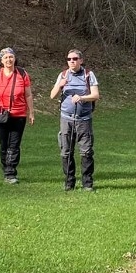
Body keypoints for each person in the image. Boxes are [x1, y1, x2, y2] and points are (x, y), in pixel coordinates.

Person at [49, 48, 100, 191]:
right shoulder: (63, 75)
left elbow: (95, 95)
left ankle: (87, 183)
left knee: (86, 151)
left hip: (84, 119)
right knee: (66, 151)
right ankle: (69, 182)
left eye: (75, 59)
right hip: (66, 119)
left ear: (81, 60)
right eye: (69, 59)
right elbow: (52, 95)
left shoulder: (88, 75)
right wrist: (60, 85)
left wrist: (82, 98)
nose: (72, 61)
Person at [0, 48, 34, 184]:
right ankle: (6, 169)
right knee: (4, 144)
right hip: (0, 114)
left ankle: (10, 173)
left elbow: (28, 94)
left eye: (11, 57)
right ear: (1, 60)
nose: (9, 60)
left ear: (15, 58)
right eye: (6, 57)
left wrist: (31, 112)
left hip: (19, 114)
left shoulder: (22, 73)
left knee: (14, 145)